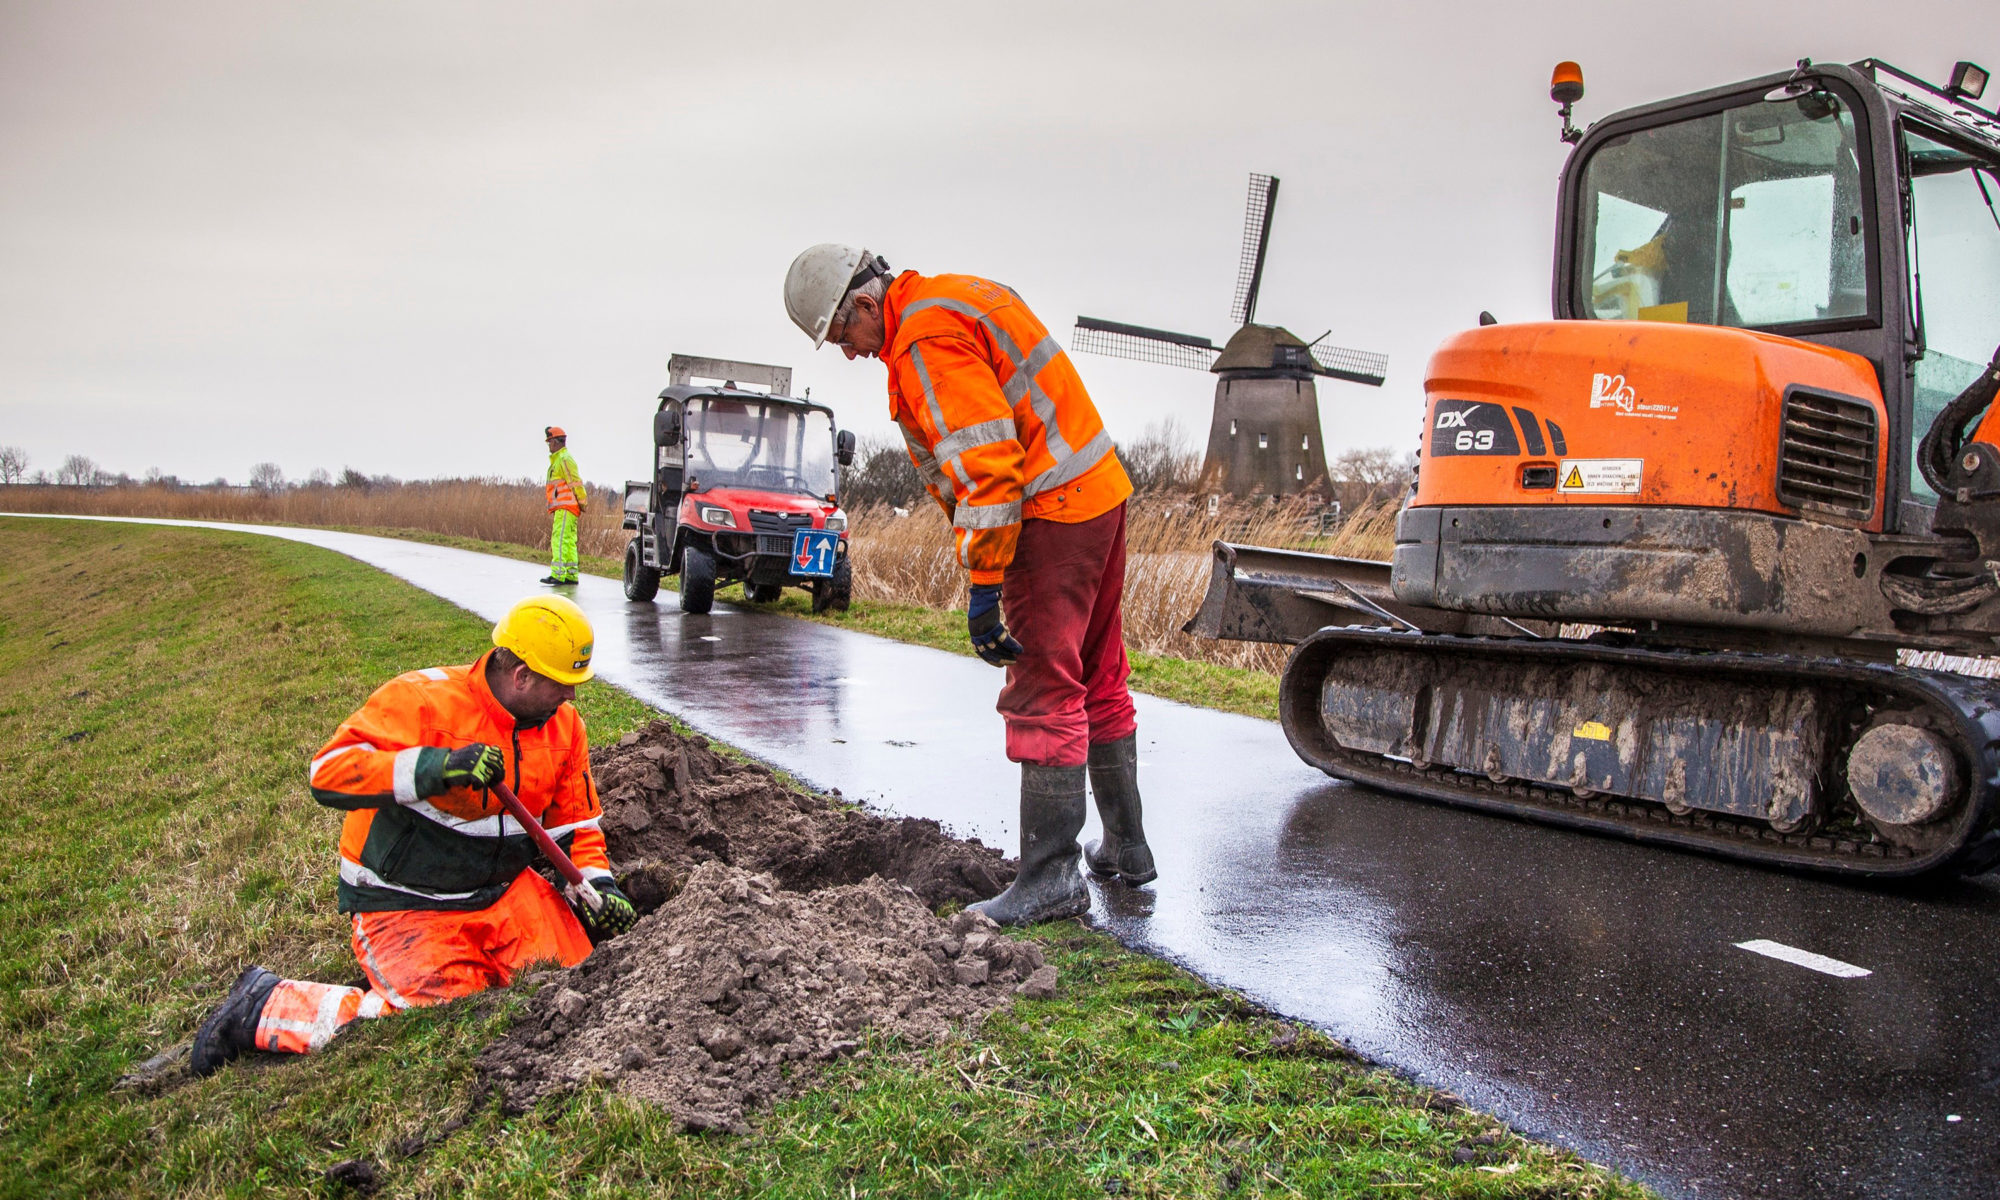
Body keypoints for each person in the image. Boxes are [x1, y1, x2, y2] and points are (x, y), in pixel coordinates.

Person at [782, 244, 1157, 926]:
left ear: (868, 306)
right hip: (1097, 493)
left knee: (1043, 688)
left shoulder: (923, 338)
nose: (849, 353)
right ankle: (1127, 848)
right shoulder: (955, 293)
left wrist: (985, 586)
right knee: (1098, 671)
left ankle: (1050, 878)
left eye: (844, 336)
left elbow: (988, 468)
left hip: (1048, 513)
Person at [189, 595, 636, 1076]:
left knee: (580, 985)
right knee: (444, 1017)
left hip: (503, 892)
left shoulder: (565, 727)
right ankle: (265, 1005)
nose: (571, 698)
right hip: (407, 901)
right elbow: (327, 773)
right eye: (562, 685)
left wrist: (598, 886)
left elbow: (575, 826)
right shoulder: (421, 701)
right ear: (521, 677)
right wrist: (434, 768)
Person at [542, 426, 587, 585]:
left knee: (559, 539)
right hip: (566, 507)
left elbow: (575, 482)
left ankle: (558, 574)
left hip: (566, 507)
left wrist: (582, 502)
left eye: (550, 442)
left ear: (556, 442)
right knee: (567, 540)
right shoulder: (561, 459)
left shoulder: (563, 459)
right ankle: (571, 575)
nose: (549, 446)